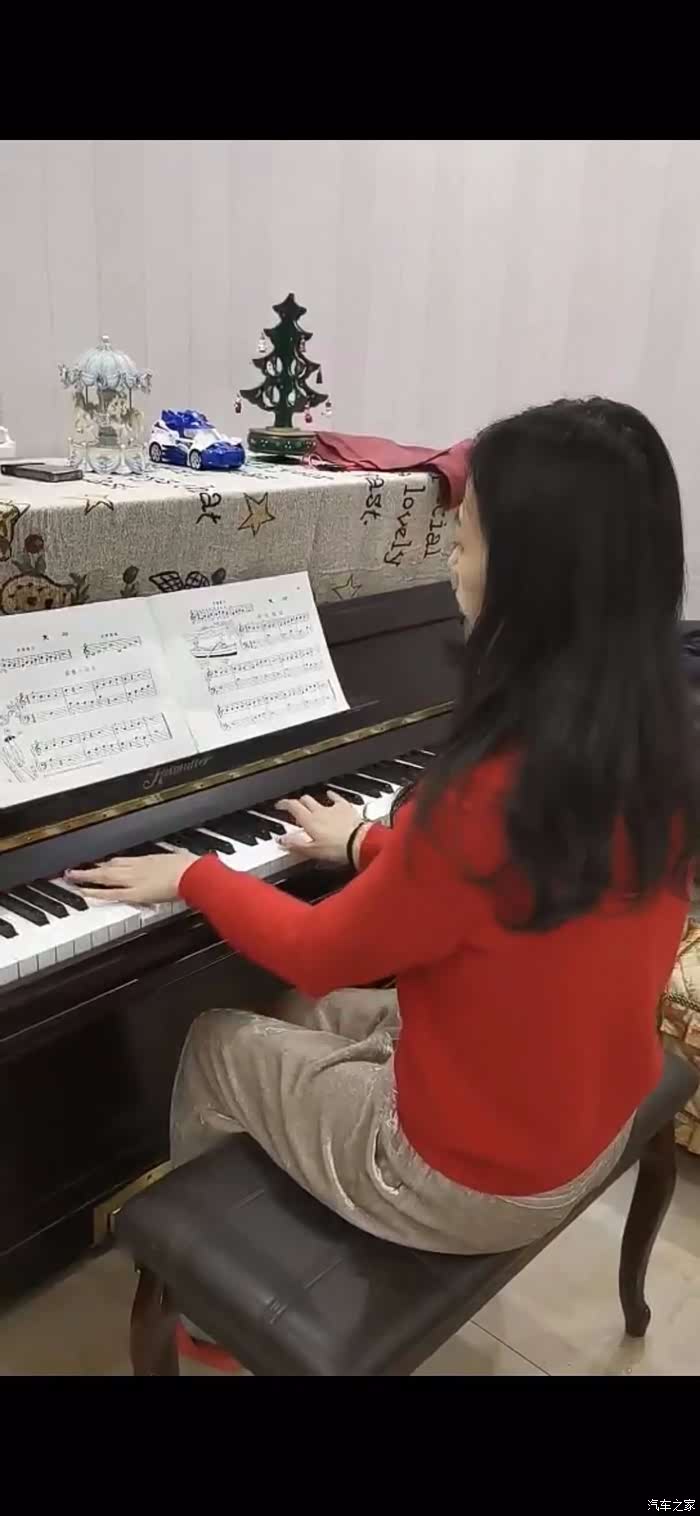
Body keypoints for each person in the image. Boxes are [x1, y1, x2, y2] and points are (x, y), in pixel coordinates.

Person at [67, 398, 695, 1264]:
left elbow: (320, 950)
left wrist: (194, 875)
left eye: (464, 540)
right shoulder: (652, 734)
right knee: (310, 1015)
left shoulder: (491, 784)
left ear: (533, 579)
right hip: (588, 1115)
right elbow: (502, 873)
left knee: (217, 1038)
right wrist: (365, 842)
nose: (450, 563)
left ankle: (204, 1290)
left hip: (470, 1181)